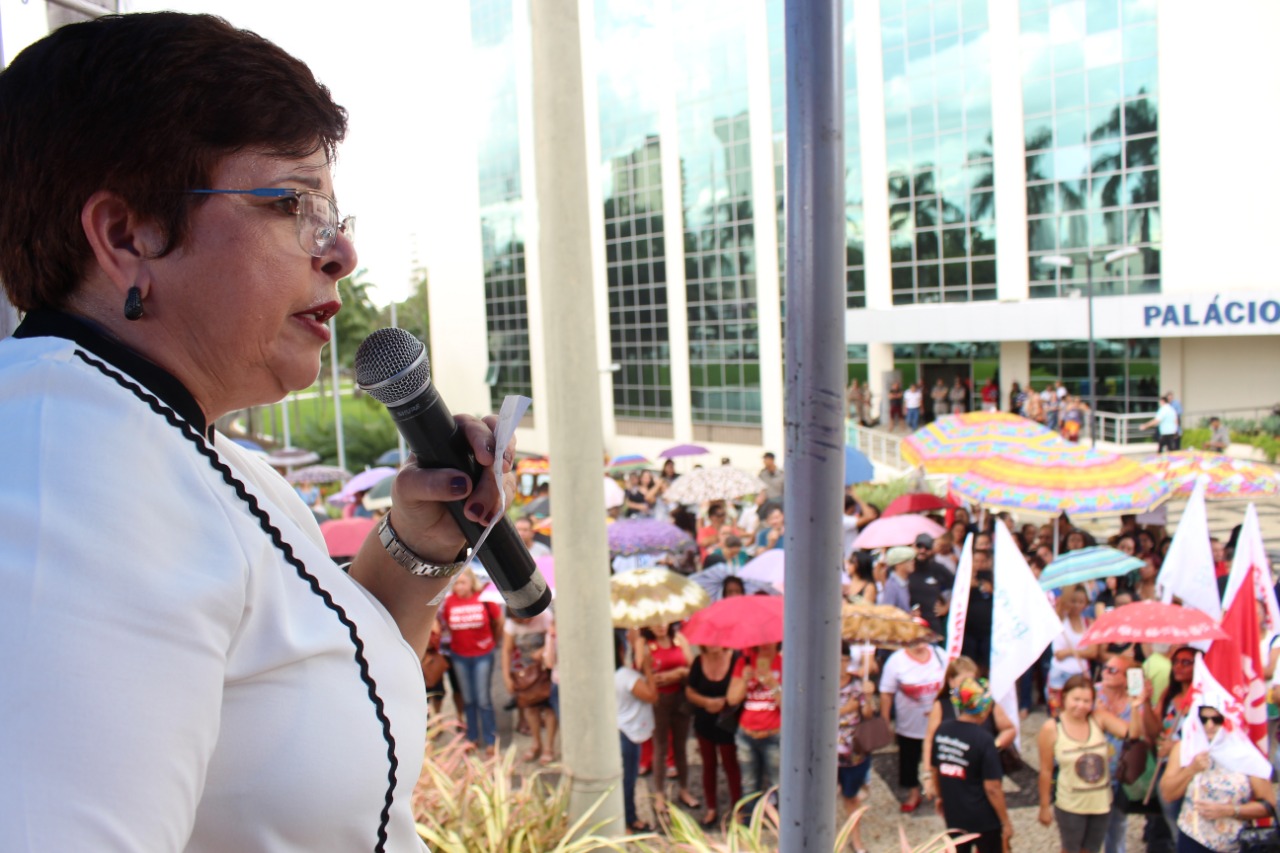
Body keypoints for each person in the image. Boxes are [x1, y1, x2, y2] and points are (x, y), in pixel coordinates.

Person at [0, 14, 525, 852]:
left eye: (333, 212)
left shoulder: (187, 447)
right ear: (128, 235)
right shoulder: (65, 464)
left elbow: (317, 690)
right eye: (290, 204)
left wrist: (415, 548)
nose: (341, 250)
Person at [1038, 674, 1145, 853]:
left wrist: (1135, 707)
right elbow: (1046, 770)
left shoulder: (1098, 718)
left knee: (1092, 849)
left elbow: (1132, 734)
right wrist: (1044, 806)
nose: (1081, 705)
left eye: (1086, 701)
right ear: (1065, 698)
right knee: (1070, 849)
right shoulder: (1052, 728)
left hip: (1100, 802)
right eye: (1076, 699)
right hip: (1070, 803)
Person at [1160, 705, 1275, 853]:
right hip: (1193, 839)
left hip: (1235, 843)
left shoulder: (1246, 754)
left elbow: (1269, 806)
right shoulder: (1185, 748)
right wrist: (1191, 769)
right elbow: (1167, 794)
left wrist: (1231, 810)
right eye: (1204, 719)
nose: (1210, 725)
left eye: (1217, 719)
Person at [931, 678, 1014, 853]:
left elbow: (936, 769)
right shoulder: (984, 739)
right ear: (985, 708)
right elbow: (992, 787)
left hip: (954, 814)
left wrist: (940, 797)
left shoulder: (942, 730)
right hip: (984, 819)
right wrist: (1005, 822)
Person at [922, 656, 1016, 803]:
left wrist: (992, 747)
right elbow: (930, 740)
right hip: (953, 772)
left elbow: (1009, 729)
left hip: (982, 771)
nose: (968, 687)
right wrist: (928, 775)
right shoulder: (941, 706)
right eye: (963, 682)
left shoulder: (985, 703)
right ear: (951, 681)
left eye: (972, 681)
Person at [880, 627, 947, 813]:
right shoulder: (896, 661)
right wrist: (885, 720)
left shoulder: (940, 655)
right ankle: (913, 793)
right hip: (909, 722)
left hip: (937, 721)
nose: (920, 644)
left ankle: (940, 790)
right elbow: (886, 693)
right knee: (908, 759)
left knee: (940, 756)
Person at [637, 622, 700, 816]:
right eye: (657, 622)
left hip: (680, 697)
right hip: (659, 701)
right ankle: (659, 793)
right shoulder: (645, 643)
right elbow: (641, 671)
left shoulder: (678, 639)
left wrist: (677, 674)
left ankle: (684, 788)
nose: (661, 625)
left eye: (665, 621)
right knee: (660, 746)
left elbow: (693, 669)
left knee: (680, 746)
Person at [439, 567, 505, 752]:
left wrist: (492, 641)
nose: (458, 587)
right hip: (459, 655)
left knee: (483, 699)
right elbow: (446, 625)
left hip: (483, 654)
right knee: (468, 699)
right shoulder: (450, 602)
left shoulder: (484, 599)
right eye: (456, 583)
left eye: (462, 583)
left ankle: (490, 739)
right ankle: (472, 737)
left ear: (471, 582)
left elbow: (499, 622)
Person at [685, 643, 743, 829]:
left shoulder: (736, 659)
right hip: (705, 722)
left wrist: (726, 702)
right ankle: (711, 808)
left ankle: (738, 808)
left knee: (731, 765)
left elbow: (742, 688)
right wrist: (706, 702)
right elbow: (690, 691)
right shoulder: (698, 661)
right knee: (708, 765)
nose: (713, 645)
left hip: (728, 722)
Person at [727, 641, 783, 803]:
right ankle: (750, 817)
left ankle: (778, 818)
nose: (765, 644)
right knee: (749, 786)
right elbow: (732, 699)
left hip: (773, 735)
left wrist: (773, 684)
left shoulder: (785, 664)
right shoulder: (744, 662)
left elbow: (789, 708)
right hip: (746, 734)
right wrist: (744, 681)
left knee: (778, 785)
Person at [616, 631, 659, 833]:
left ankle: (626, 817)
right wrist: (648, 668)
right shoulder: (626, 677)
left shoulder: (608, 674)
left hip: (619, 729)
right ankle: (628, 819)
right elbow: (651, 695)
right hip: (628, 732)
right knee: (628, 778)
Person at [501, 607, 557, 764]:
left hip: (546, 668)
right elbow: (506, 650)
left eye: (525, 619)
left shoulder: (545, 616)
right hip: (525, 671)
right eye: (519, 621)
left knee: (549, 708)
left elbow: (555, 636)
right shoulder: (511, 624)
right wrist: (507, 677)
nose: (524, 622)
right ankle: (536, 743)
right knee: (530, 707)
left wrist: (543, 650)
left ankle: (549, 747)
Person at [836, 642, 876, 853]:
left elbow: (868, 715)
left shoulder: (858, 684)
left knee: (851, 798)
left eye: (844, 660)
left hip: (852, 752)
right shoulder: (820, 684)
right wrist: (846, 709)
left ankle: (856, 840)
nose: (840, 665)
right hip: (826, 753)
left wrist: (867, 698)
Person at [1049, 584, 1099, 716]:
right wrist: (1072, 582)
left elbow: (1093, 652)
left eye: (1081, 602)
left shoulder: (1089, 622)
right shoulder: (1061, 618)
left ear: (1086, 604)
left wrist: (1068, 652)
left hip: (1080, 673)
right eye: (1073, 601)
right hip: (1060, 673)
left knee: (1080, 713)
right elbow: (1062, 603)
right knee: (1057, 714)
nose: (1077, 605)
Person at [879, 545, 917, 613]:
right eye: (908, 560)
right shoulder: (892, 586)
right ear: (898, 564)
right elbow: (887, 612)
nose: (913, 562)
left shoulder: (904, 583)